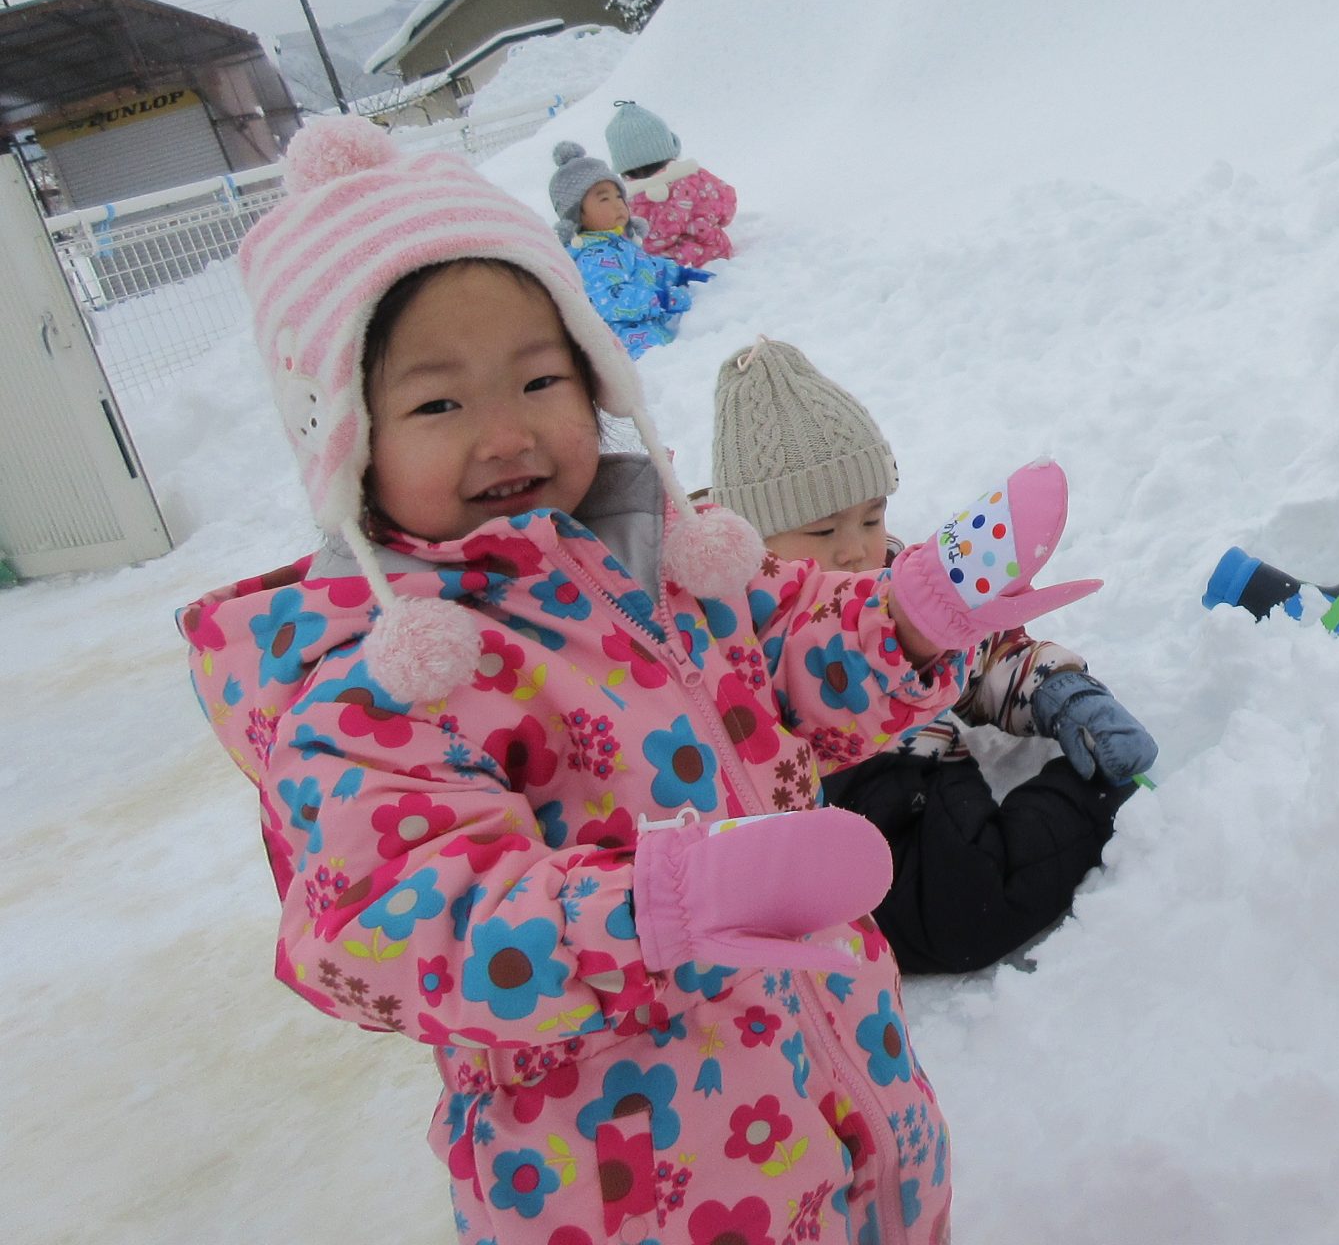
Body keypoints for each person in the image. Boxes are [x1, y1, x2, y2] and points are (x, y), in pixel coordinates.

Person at [175, 115, 977, 1245]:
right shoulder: (373, 685)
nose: (506, 434)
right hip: (631, 1181)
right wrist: (658, 908)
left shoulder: (660, 560)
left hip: (839, 1078)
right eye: (439, 403)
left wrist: (909, 617)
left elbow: (795, 649)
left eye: (540, 378)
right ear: (348, 443)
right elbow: (386, 923)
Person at [710, 337, 1157, 975]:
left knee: (970, 899)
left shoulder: (894, 579)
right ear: (749, 535)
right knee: (936, 915)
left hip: (922, 767)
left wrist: (1058, 690)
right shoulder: (729, 624)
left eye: (870, 518)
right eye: (821, 531)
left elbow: (980, 648)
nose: (854, 551)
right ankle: (1068, 808)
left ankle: (1093, 786)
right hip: (832, 796)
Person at [550, 139, 696, 356]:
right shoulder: (591, 256)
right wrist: (660, 300)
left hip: (646, 326)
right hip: (624, 343)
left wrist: (677, 272)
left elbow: (644, 268)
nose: (618, 203)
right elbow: (610, 300)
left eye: (619, 195)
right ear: (577, 214)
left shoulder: (616, 242)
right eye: (604, 199)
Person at [605, 97, 739, 269]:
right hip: (714, 257)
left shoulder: (623, 199)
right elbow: (727, 205)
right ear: (667, 145)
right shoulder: (696, 177)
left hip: (660, 270)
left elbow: (625, 240)